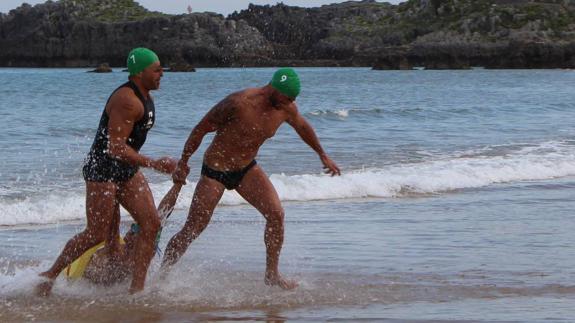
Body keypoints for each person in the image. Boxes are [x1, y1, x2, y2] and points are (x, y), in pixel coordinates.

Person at [162, 68, 341, 290]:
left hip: (246, 169)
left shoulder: (286, 108)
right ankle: (162, 275)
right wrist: (183, 162)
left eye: (293, 100)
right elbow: (200, 129)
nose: (290, 103)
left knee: (276, 214)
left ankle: (272, 275)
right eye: (287, 98)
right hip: (215, 171)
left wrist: (322, 154)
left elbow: (303, 127)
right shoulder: (238, 102)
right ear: (274, 89)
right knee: (193, 228)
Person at [36, 47, 178, 296]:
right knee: (97, 233)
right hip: (102, 171)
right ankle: (49, 276)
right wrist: (155, 164)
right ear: (139, 72)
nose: (162, 73)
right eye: (156, 69)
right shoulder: (127, 100)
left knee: (151, 224)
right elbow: (115, 147)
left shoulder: (146, 96)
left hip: (126, 169)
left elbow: (126, 148)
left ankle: (137, 290)